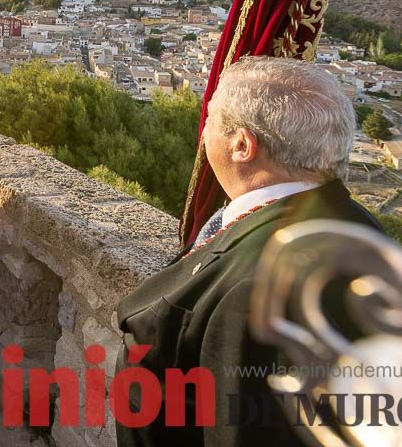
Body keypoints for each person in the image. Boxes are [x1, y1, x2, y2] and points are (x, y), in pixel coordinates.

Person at [115, 57, 382, 447]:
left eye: (210, 119)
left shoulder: (261, 289)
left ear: (242, 145)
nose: (202, 130)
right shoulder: (350, 220)